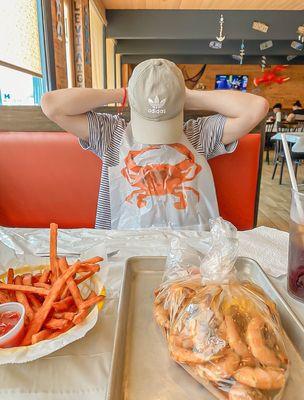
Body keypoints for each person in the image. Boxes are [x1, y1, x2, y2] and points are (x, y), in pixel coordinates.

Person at [41, 58, 268, 230]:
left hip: (186, 255)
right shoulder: (111, 134)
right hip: (120, 251)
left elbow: (257, 108)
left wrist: (185, 96)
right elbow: (52, 105)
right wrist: (123, 93)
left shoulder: (198, 134)